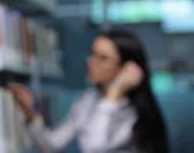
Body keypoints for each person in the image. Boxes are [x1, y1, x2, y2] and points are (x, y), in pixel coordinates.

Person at [9, 29, 169, 153]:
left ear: (127, 68)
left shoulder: (134, 113)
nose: (92, 62)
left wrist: (114, 94)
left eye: (103, 58)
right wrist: (30, 113)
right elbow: (52, 145)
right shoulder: (88, 100)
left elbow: (95, 148)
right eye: (93, 54)